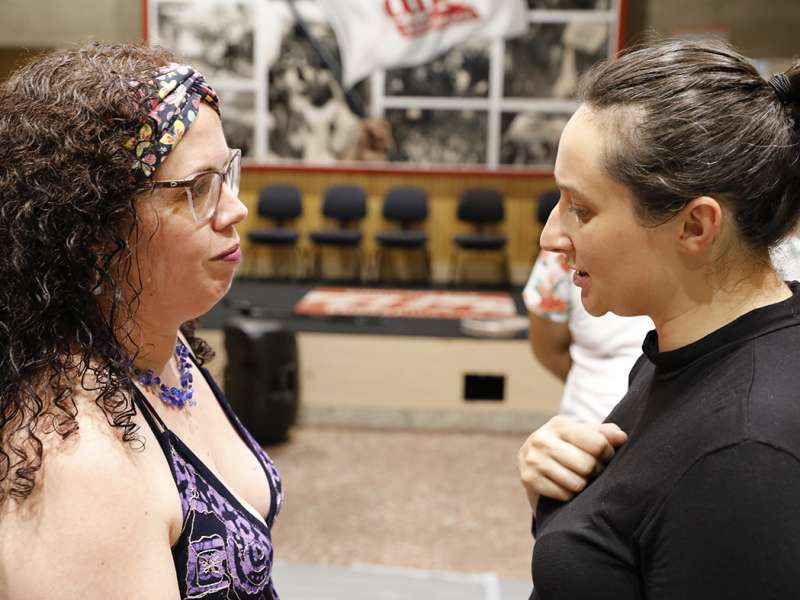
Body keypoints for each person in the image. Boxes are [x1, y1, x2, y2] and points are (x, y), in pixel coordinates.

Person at [516, 38, 800, 599]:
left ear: (695, 226)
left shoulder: (745, 453)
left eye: (582, 208)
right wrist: (565, 499)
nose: (550, 237)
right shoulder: (684, 354)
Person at [0, 43, 282, 599]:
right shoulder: (77, 464)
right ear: (95, 230)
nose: (235, 210)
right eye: (197, 189)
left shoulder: (156, 341)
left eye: (227, 173)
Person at [524, 192, 652, 424]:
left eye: (582, 209)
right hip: (587, 424)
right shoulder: (562, 257)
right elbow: (548, 349)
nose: (548, 238)